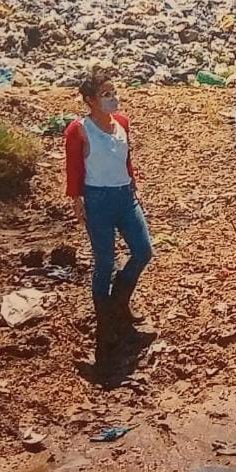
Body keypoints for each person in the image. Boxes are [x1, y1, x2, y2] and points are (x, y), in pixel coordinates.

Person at [65, 70, 154, 374]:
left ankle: (119, 303)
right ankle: (106, 329)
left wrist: (134, 187)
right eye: (105, 94)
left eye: (113, 91)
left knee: (143, 250)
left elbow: (125, 160)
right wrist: (77, 200)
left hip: (124, 196)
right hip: (98, 199)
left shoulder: (123, 124)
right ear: (90, 100)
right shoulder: (79, 130)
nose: (112, 97)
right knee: (105, 263)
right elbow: (74, 168)